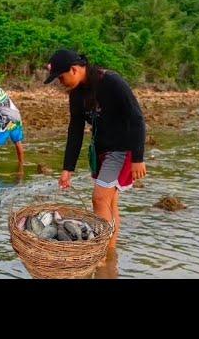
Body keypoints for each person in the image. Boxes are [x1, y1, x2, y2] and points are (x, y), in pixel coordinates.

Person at [44, 49, 146, 249]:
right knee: (109, 203)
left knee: (99, 199)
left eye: (61, 77)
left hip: (122, 149)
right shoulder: (76, 94)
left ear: (74, 69)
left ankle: (100, 251)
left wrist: (138, 158)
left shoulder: (111, 82)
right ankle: (110, 253)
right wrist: (68, 168)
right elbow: (75, 131)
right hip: (101, 150)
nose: (60, 82)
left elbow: (136, 117)